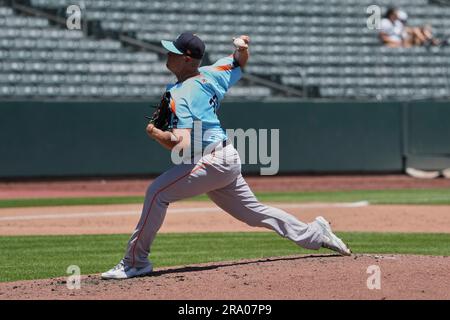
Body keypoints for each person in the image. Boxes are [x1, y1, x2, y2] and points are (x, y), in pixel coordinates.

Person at [101, 32, 351, 280]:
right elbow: (238, 61)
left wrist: (155, 133)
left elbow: (180, 144)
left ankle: (135, 262)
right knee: (254, 213)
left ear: (188, 60)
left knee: (157, 192)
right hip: (225, 157)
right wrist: (242, 49)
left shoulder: (182, 94)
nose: (168, 54)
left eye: (174, 52)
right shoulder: (213, 72)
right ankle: (314, 233)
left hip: (212, 161)